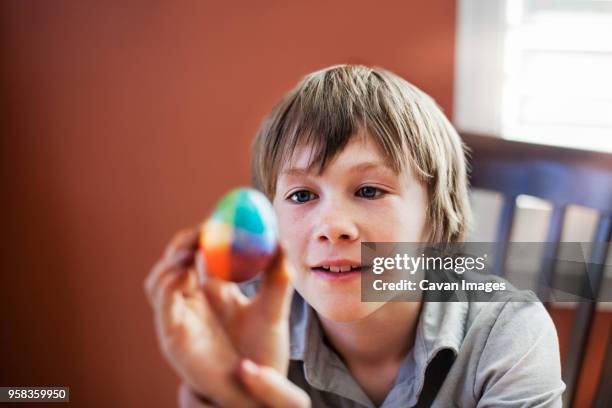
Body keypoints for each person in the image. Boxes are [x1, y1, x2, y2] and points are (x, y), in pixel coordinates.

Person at [144, 65, 565, 407]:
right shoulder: (243, 332)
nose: (332, 226)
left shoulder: (507, 335)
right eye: (302, 194)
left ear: (435, 217)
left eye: (369, 191)